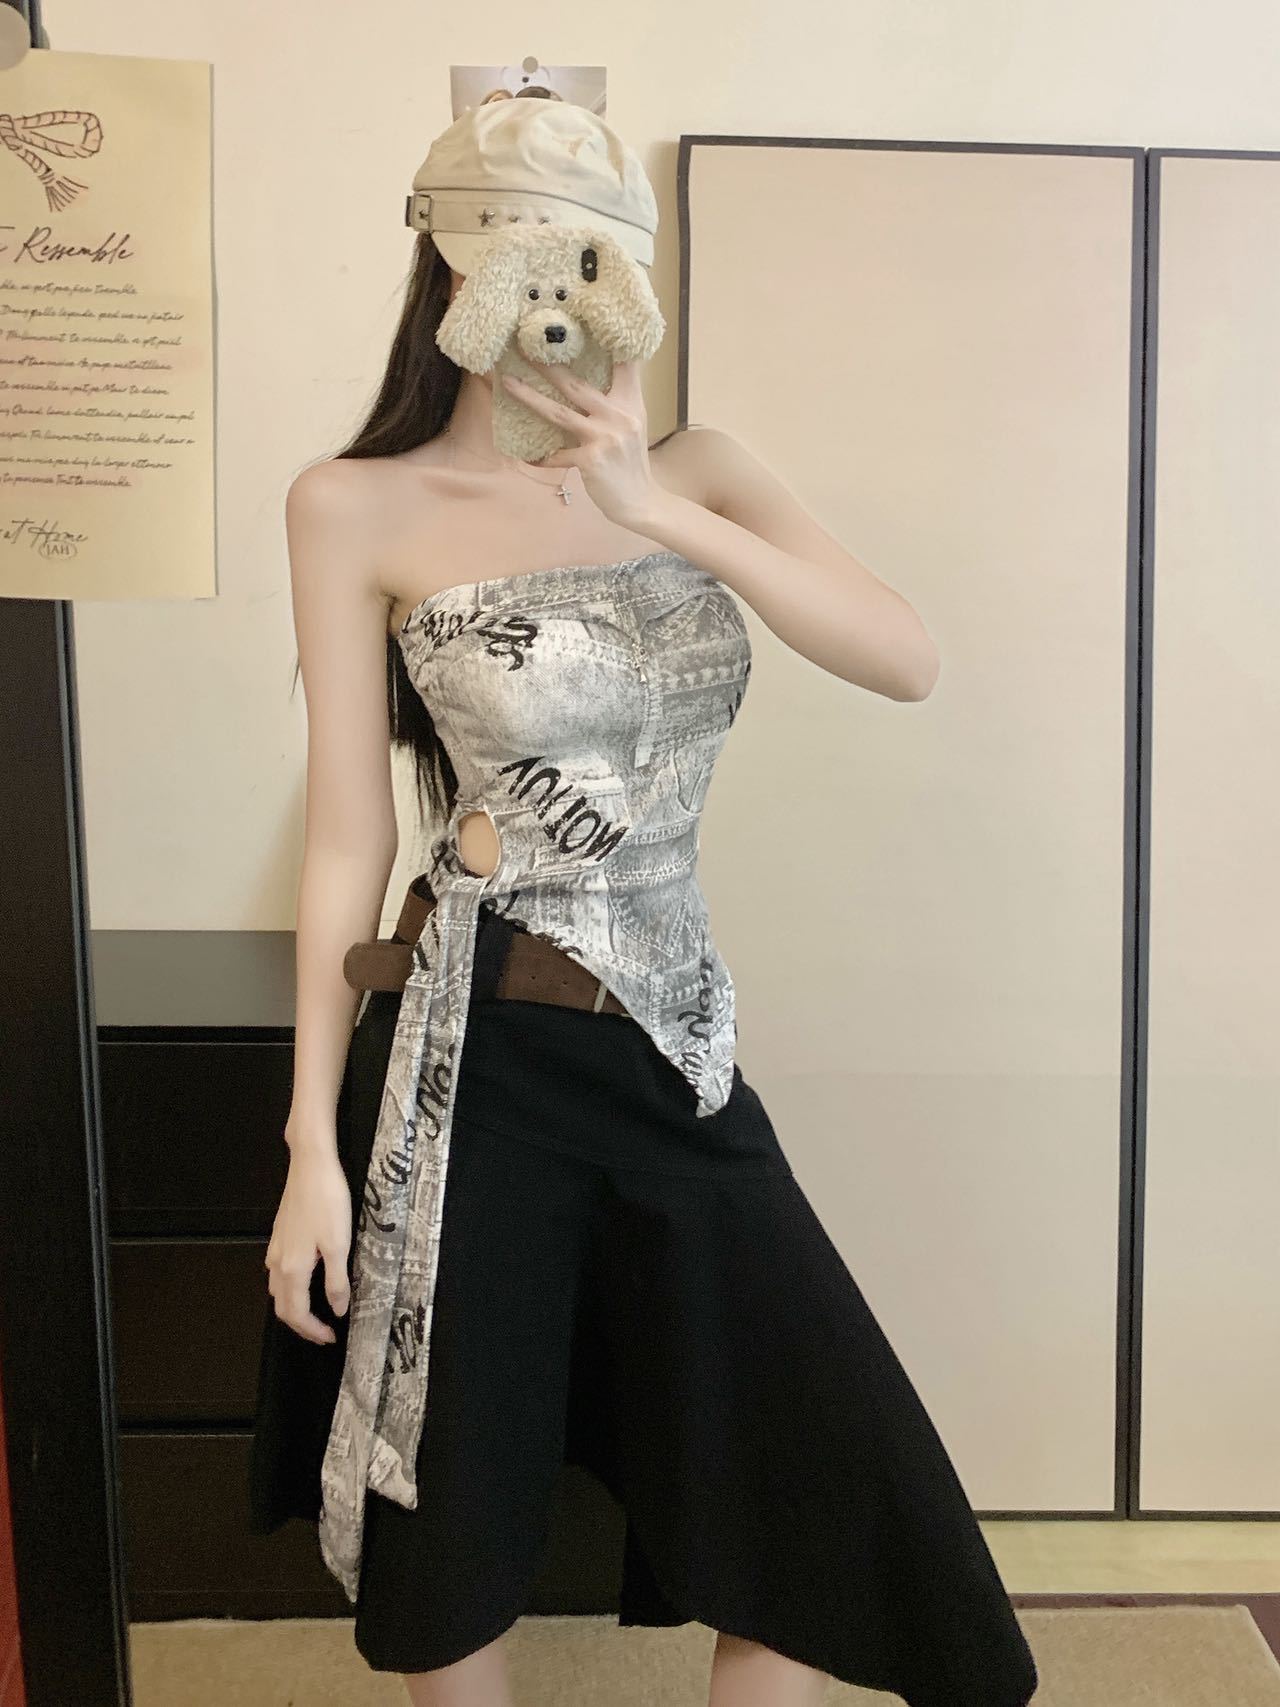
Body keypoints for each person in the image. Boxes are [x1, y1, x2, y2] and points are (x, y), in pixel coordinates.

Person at [248, 93, 1040, 1707]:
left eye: (592, 259)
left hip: (674, 1038)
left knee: (813, 1491)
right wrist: (308, 1146)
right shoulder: (353, 504)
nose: (558, 295)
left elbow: (907, 658)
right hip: (478, 1053)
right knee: (452, 1518)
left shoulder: (702, 469)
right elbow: (346, 839)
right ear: (451, 264)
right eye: (524, 251)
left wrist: (652, 506)